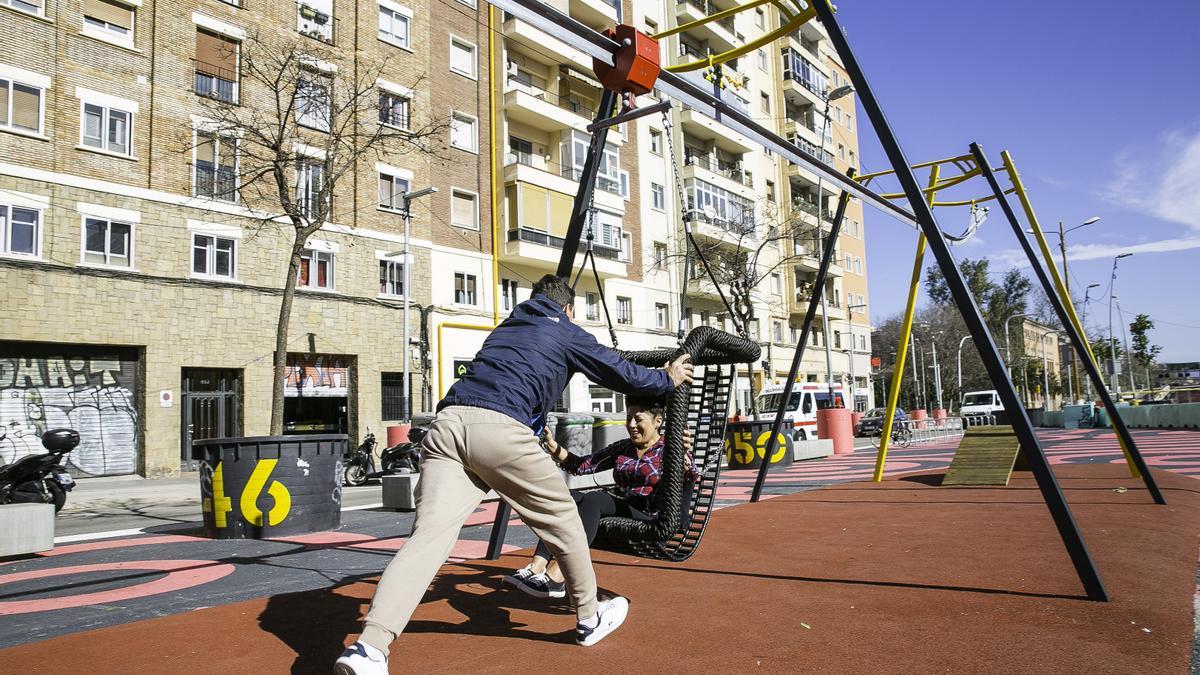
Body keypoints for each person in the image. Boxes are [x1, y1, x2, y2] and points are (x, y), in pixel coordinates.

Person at [336, 274, 694, 674]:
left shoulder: (505, 328)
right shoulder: (563, 329)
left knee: (427, 541)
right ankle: (589, 617)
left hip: (446, 427)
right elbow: (619, 371)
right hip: (500, 429)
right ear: (568, 308)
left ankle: (370, 648)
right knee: (567, 520)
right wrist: (667, 378)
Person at [504, 396, 698, 598]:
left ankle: (558, 576)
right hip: (625, 506)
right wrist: (553, 446)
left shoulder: (670, 449)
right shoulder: (625, 447)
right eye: (628, 418)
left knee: (595, 499)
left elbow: (691, 473)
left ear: (658, 421)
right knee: (567, 498)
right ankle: (537, 566)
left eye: (638, 419)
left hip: (651, 514)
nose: (631, 425)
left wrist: (684, 461)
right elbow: (582, 465)